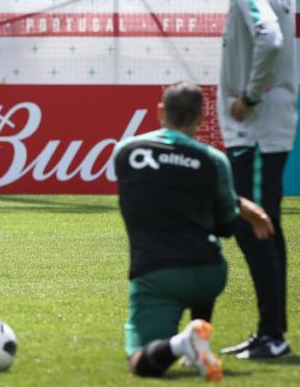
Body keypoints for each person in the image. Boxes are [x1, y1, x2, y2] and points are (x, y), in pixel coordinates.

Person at [113, 82, 275, 381]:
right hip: (209, 274)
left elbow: (152, 192)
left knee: (141, 363)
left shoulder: (126, 151)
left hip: (156, 274)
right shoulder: (214, 161)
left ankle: (182, 343)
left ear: (161, 111)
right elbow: (226, 225)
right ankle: (200, 339)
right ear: (202, 117)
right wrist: (238, 205)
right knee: (205, 246)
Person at [193, 0, 297, 359]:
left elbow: (269, 39)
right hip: (266, 129)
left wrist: (250, 97)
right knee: (264, 224)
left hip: (255, 131)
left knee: (252, 223)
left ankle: (272, 335)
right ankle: (271, 333)